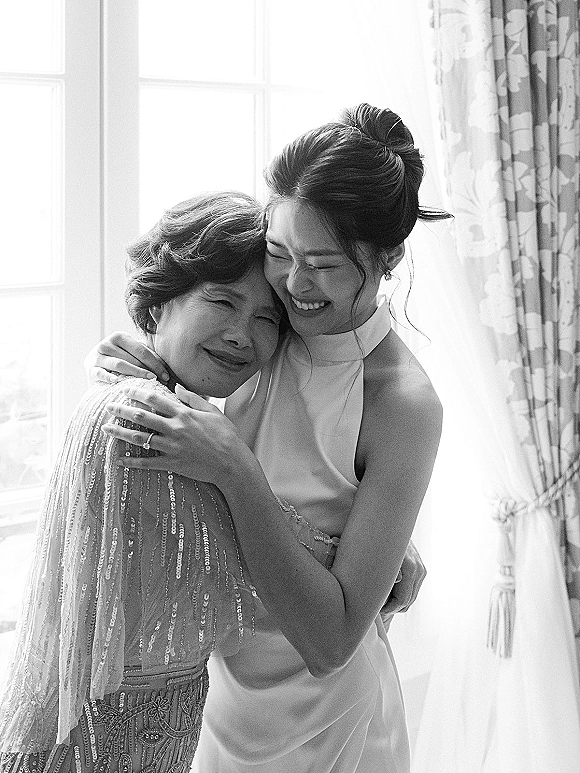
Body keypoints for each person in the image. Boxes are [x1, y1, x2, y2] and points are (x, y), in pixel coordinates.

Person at [88, 104, 451, 772]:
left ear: (389, 255)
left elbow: (331, 638)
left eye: (325, 265)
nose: (293, 284)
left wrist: (236, 470)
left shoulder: (404, 401)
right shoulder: (274, 326)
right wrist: (135, 362)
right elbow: (182, 333)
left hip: (328, 718)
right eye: (280, 252)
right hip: (224, 698)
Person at [0, 192, 296, 772]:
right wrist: (372, 559)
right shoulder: (143, 417)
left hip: (141, 723)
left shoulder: (154, 397)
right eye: (222, 301)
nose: (243, 334)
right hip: (108, 737)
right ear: (160, 303)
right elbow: (257, 574)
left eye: (266, 318)